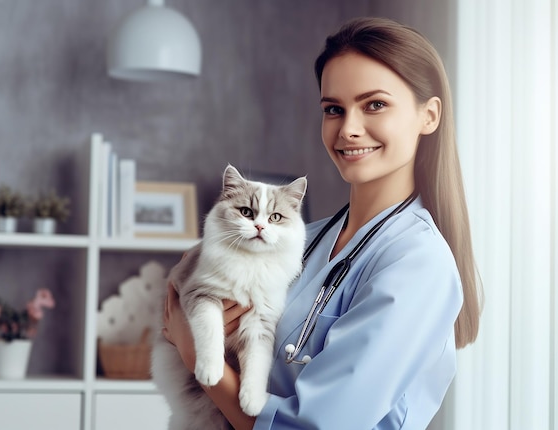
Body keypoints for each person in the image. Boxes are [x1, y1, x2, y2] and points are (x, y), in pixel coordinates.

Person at [162, 16, 482, 430]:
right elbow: (182, 301)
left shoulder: (417, 265)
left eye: (375, 105)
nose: (348, 129)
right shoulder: (306, 240)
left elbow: (317, 425)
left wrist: (199, 359)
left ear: (429, 116)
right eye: (334, 109)